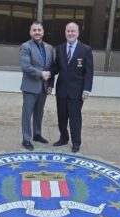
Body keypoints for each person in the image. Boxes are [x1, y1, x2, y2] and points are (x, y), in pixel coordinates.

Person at [51, 22, 94, 153]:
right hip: (62, 90)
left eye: (73, 31)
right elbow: (56, 67)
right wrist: (48, 77)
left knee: (75, 118)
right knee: (61, 117)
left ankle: (76, 142)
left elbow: (89, 72)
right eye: (68, 31)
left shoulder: (86, 49)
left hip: (77, 91)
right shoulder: (59, 48)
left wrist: (87, 89)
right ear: (65, 32)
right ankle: (64, 138)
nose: (70, 33)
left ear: (78, 33)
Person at [20, 21, 54, 151]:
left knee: (39, 112)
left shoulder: (49, 48)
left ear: (43, 32)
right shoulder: (25, 47)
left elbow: (51, 67)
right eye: (34, 30)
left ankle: (37, 134)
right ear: (30, 32)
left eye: (39, 30)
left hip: (44, 87)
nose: (37, 32)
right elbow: (25, 67)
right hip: (30, 87)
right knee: (27, 113)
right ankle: (26, 139)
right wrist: (41, 74)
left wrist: (50, 84)